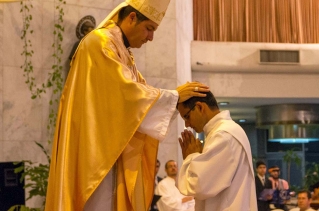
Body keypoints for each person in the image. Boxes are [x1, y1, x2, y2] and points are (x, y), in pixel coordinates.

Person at [45, 0, 210, 210]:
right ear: (132, 17)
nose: (151, 37)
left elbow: (139, 98)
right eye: (149, 28)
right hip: (94, 156)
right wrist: (173, 97)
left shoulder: (124, 54)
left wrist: (174, 99)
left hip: (111, 153)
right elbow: (127, 96)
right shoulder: (100, 43)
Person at [176, 91, 258, 211]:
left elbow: (199, 186)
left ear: (200, 107)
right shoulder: (223, 131)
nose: (187, 124)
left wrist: (191, 157)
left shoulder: (223, 135)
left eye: (187, 116)